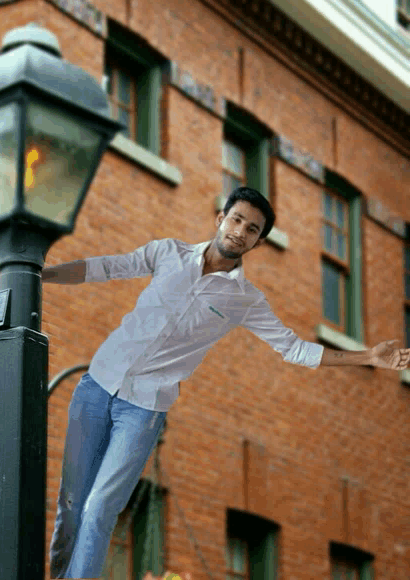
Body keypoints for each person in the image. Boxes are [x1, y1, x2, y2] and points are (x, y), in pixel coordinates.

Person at [44, 187, 410, 579]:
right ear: (221, 217)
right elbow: (107, 267)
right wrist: (43, 275)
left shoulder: (246, 300)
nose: (240, 231)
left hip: (145, 409)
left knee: (100, 506)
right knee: (71, 500)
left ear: (258, 241)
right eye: (236, 219)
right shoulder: (168, 253)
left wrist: (369, 356)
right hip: (98, 384)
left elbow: (294, 349)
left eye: (252, 229)